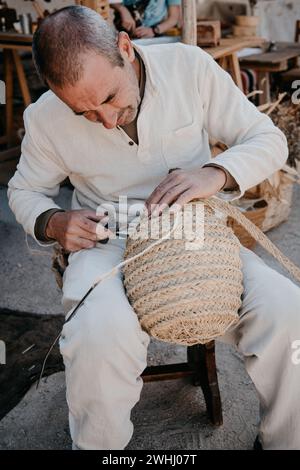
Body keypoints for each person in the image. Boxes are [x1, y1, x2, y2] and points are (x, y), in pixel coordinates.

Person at [7, 6, 300, 450]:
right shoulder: (45, 116)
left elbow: (268, 138)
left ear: (125, 48)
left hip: (194, 237)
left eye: (108, 99)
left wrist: (215, 173)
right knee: (97, 334)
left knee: (287, 312)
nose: (106, 121)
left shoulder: (188, 66)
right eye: (83, 112)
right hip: (107, 240)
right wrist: (53, 221)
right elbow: (23, 190)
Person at [111, 0, 181, 38]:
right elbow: (109, 2)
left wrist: (154, 31)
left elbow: (174, 18)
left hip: (155, 35)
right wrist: (123, 10)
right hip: (125, 34)